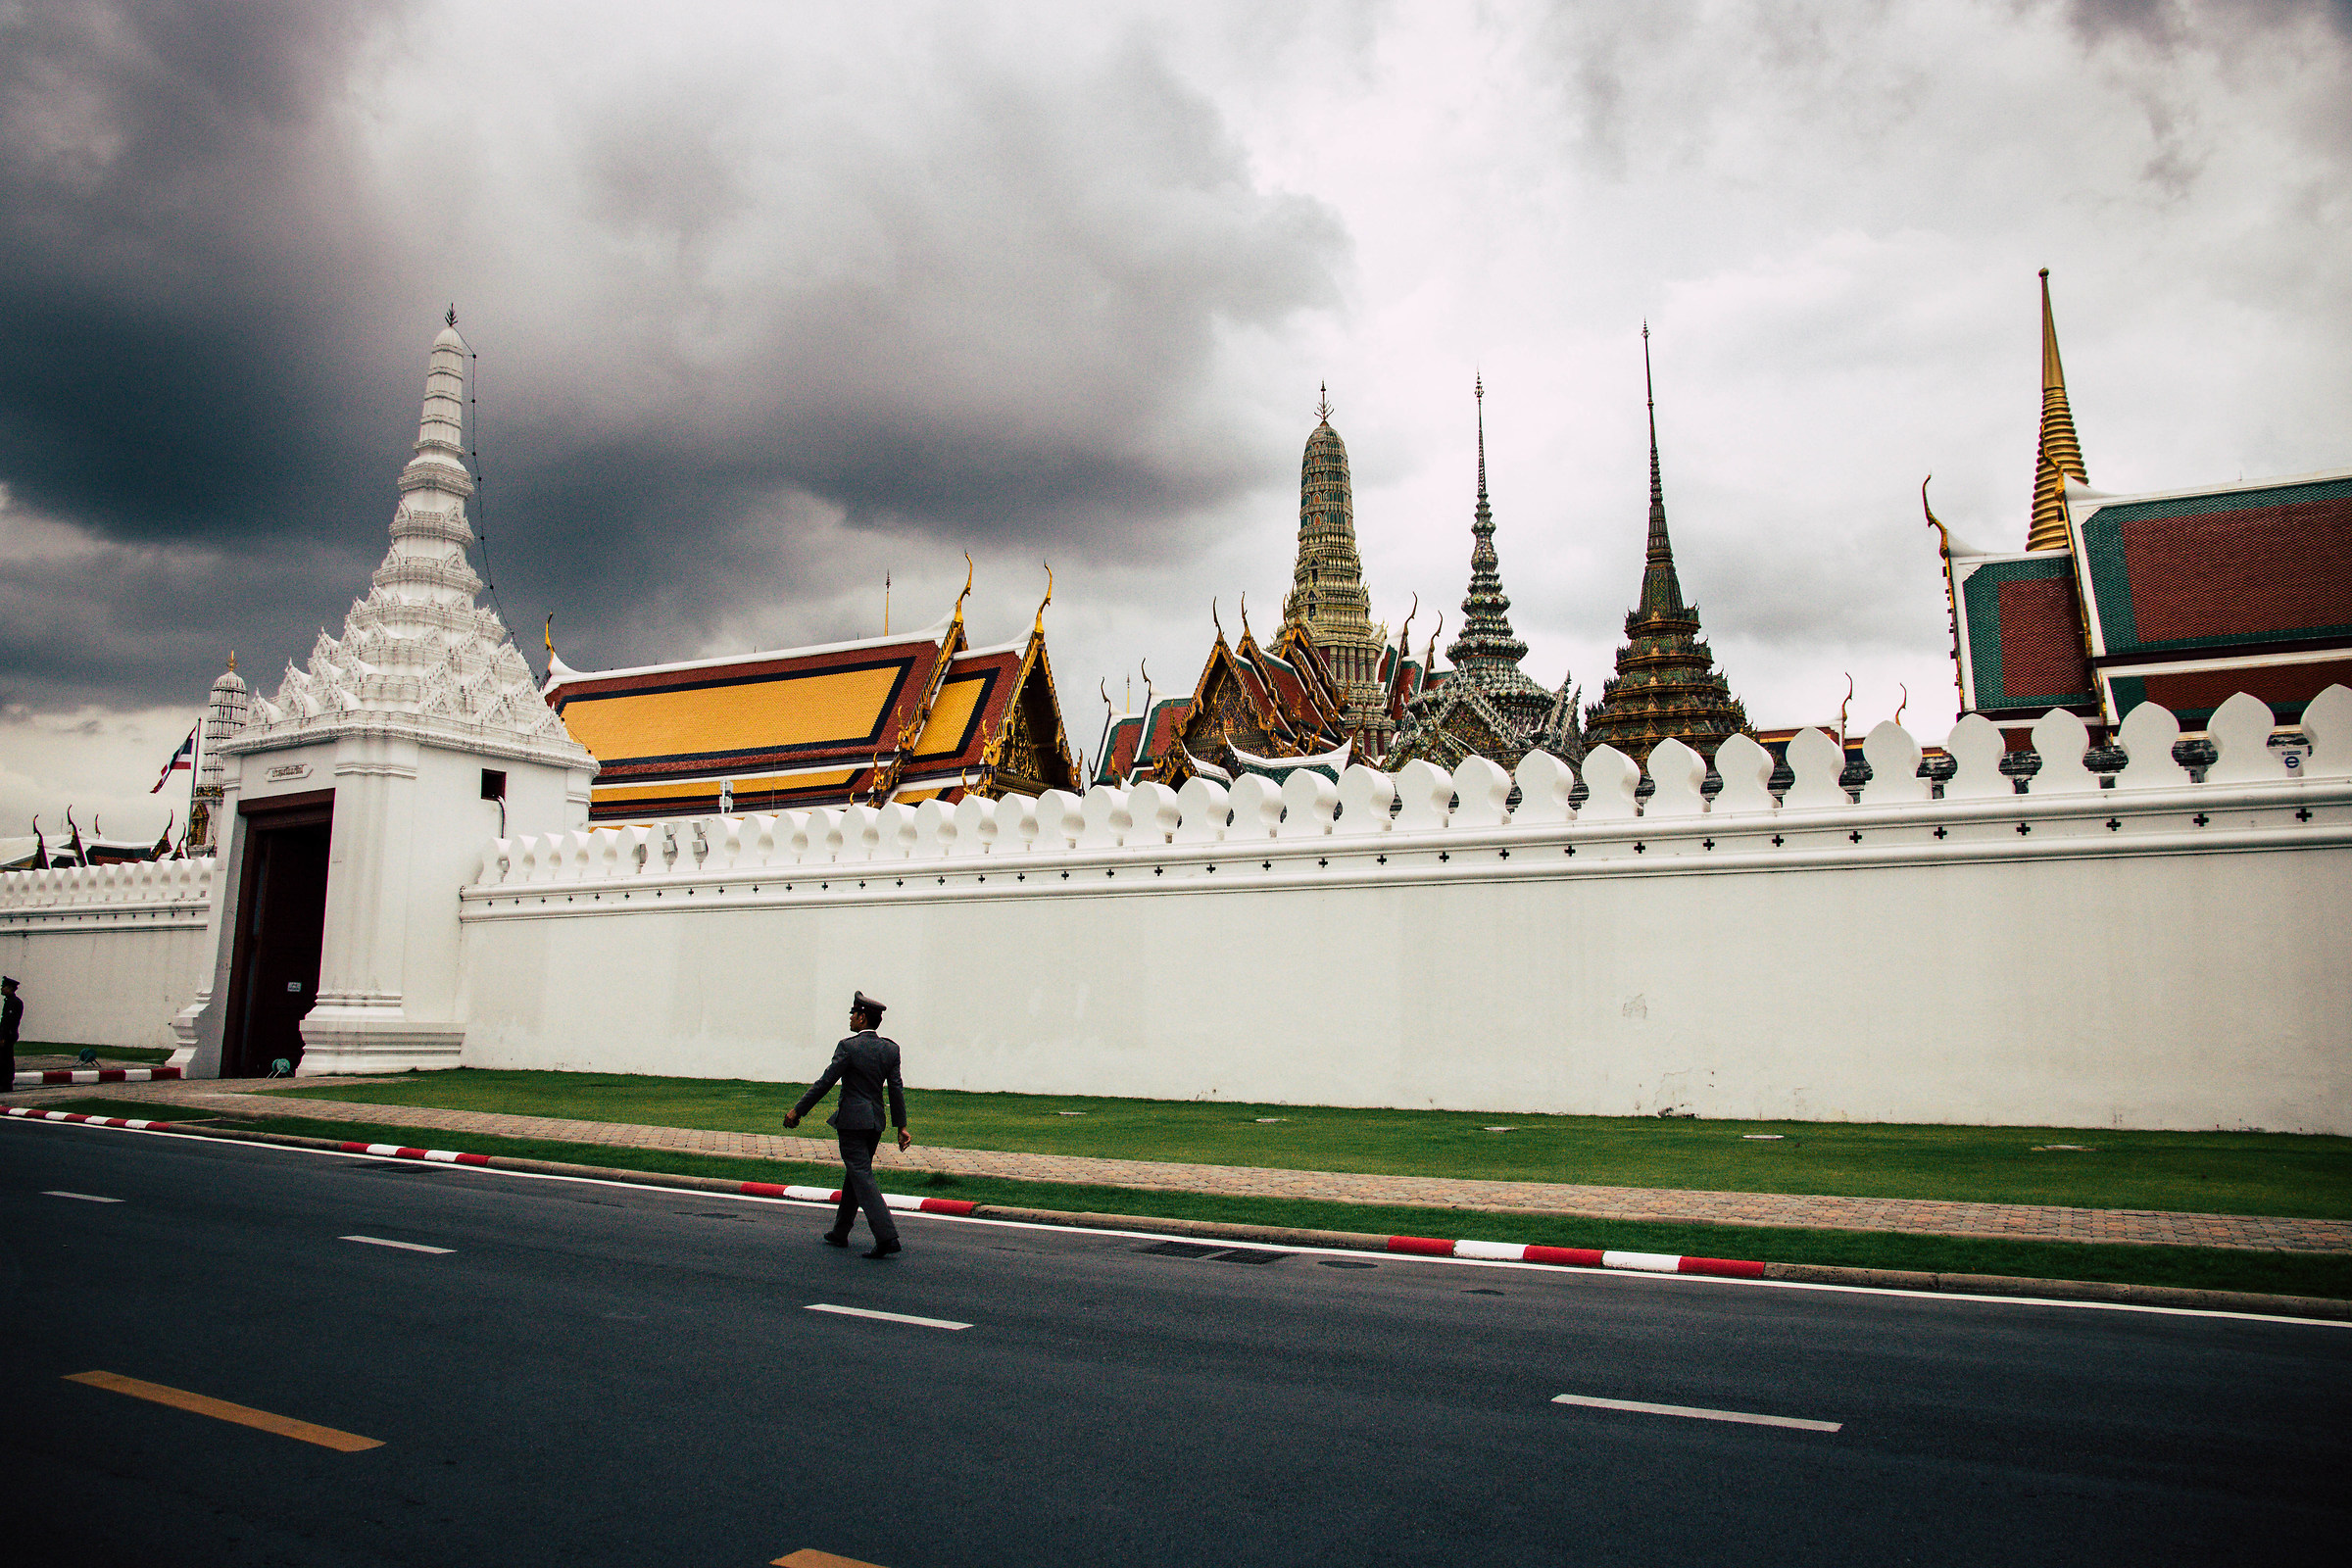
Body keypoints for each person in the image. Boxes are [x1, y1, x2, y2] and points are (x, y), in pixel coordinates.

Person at [783, 991, 911, 1258]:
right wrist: (901, 1127)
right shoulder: (890, 1049)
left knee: (861, 1176)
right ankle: (840, 1232)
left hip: (852, 1123)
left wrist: (798, 1110)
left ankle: (886, 1236)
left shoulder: (848, 1047)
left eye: (853, 1014)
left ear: (862, 1017)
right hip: (875, 1122)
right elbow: (895, 1089)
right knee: (856, 1174)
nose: (850, 1018)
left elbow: (825, 1082)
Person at [2, 977, 21, 1095]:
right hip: (7, 1034)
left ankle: (6, 1083)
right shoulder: (9, 1001)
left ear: (10, 988)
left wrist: (3, 1037)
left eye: (3, 987)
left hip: (8, 1035)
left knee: (6, 1059)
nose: (2, 989)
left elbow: (9, 1022)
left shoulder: (14, 1002)